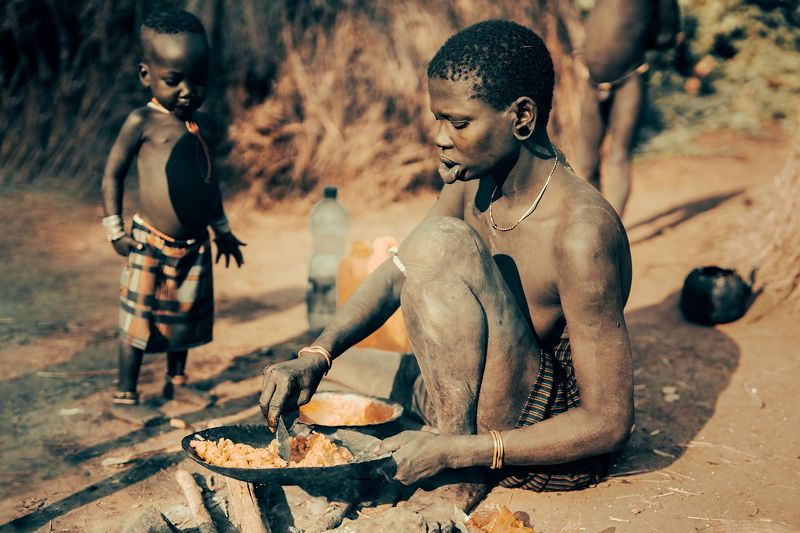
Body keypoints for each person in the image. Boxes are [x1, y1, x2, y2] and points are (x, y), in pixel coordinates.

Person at [260, 20, 633, 528]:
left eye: (458, 123)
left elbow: (608, 422)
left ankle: (458, 470)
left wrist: (459, 451)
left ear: (522, 117)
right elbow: (400, 271)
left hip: (535, 427)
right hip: (469, 399)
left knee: (442, 240)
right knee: (333, 376)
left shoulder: (582, 233)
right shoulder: (472, 182)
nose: (440, 138)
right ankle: (442, 434)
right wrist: (315, 356)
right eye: (438, 120)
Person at [101, 9, 244, 409]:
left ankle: (176, 382)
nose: (188, 91)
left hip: (194, 245)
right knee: (138, 321)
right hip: (150, 243)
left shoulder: (204, 126)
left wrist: (222, 230)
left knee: (185, 318)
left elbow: (209, 183)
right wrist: (114, 230)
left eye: (198, 80)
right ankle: (125, 394)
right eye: (173, 80)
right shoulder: (141, 123)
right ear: (146, 75)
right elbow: (112, 175)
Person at [571, 0, 680, 217]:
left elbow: (668, 37)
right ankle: (598, 221)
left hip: (630, 78)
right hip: (592, 82)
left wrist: (634, 38)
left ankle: (615, 225)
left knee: (618, 156)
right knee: (586, 161)